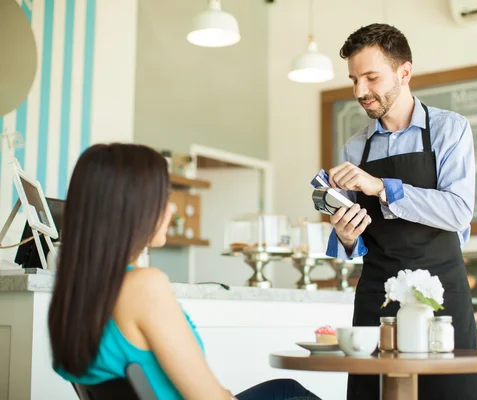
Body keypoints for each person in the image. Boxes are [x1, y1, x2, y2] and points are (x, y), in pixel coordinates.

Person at [48, 143, 321, 400]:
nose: (173, 207)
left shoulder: (75, 293)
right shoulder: (144, 286)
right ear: (134, 207)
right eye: (164, 196)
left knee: (286, 389)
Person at [324, 24, 477, 400]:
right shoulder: (355, 148)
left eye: (371, 77)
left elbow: (458, 212)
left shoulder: (450, 129)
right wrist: (346, 236)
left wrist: (382, 187)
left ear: (404, 72)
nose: (359, 91)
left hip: (441, 296)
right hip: (376, 297)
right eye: (354, 79)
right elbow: (354, 242)